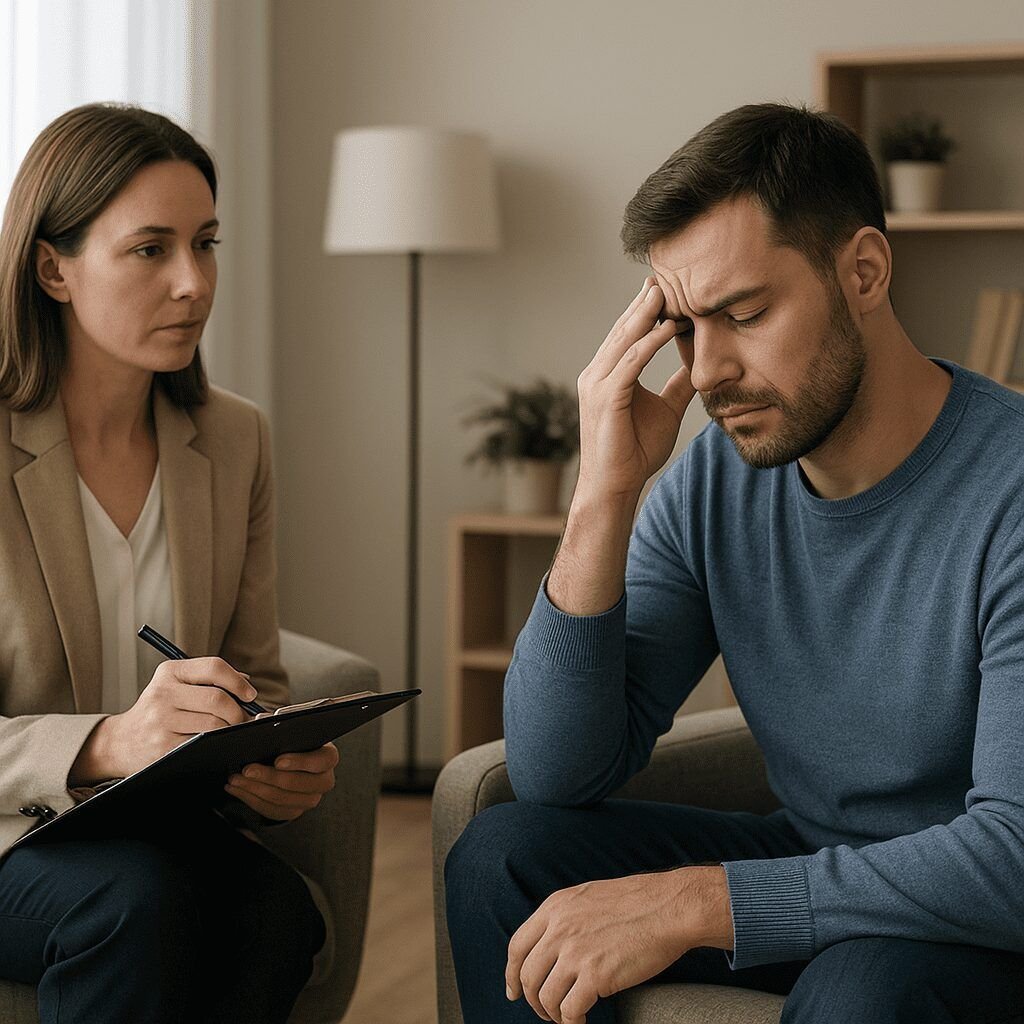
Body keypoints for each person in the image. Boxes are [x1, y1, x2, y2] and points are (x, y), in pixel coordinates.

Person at [444, 103, 1024, 1024]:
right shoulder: (715, 479)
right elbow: (559, 772)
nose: (707, 370)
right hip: (819, 856)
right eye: (683, 327)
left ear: (864, 272)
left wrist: (701, 904)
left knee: (863, 990)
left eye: (744, 313)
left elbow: (1013, 855)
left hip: (981, 916)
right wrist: (604, 498)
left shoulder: (1012, 492)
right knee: (503, 852)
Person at [0, 103, 334, 1024]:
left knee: (277, 915)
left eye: (207, 243)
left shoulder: (233, 439)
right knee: (134, 901)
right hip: (14, 831)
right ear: (52, 267)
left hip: (143, 830)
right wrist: (110, 742)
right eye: (150, 249)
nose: (194, 283)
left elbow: (255, 677)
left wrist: (267, 765)